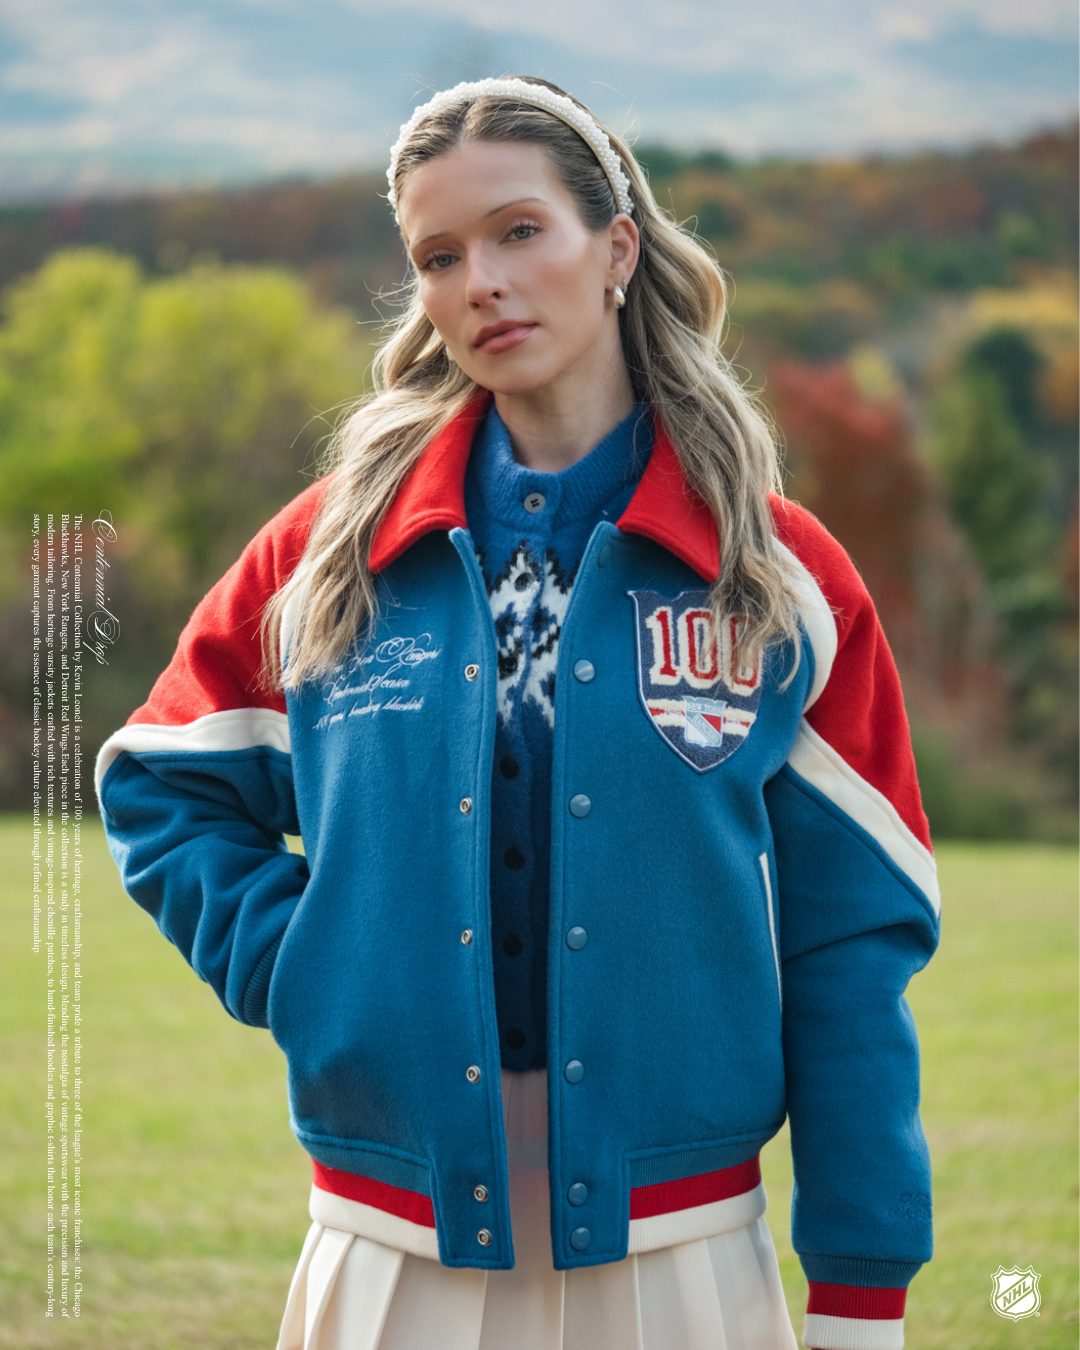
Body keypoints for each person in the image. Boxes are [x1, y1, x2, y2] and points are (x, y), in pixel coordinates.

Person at [95, 76, 940, 1350]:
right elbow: (161, 784)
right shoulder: (332, 552)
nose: (480, 281)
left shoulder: (775, 576)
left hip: (684, 1266)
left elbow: (854, 943)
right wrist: (311, 966)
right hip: (388, 1253)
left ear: (618, 248)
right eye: (439, 256)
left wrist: (863, 1296)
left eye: (519, 231)